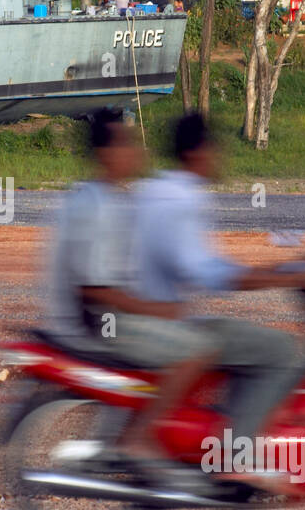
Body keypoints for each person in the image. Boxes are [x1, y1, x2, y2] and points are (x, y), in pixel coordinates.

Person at [132, 113, 305, 472]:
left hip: (148, 315)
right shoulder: (184, 200)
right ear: (196, 153)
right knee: (283, 351)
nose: (219, 158)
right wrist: (283, 277)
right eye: (214, 149)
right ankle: (235, 459)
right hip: (168, 325)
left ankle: (229, 433)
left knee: (245, 342)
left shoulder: (153, 189)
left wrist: (272, 272)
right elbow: (206, 273)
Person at [42, 108, 215, 481]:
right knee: (196, 352)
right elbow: (96, 289)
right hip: (100, 325)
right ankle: (137, 440)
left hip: (101, 317)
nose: (135, 151)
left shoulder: (102, 197)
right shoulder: (95, 207)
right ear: (106, 153)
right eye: (126, 143)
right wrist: (155, 310)